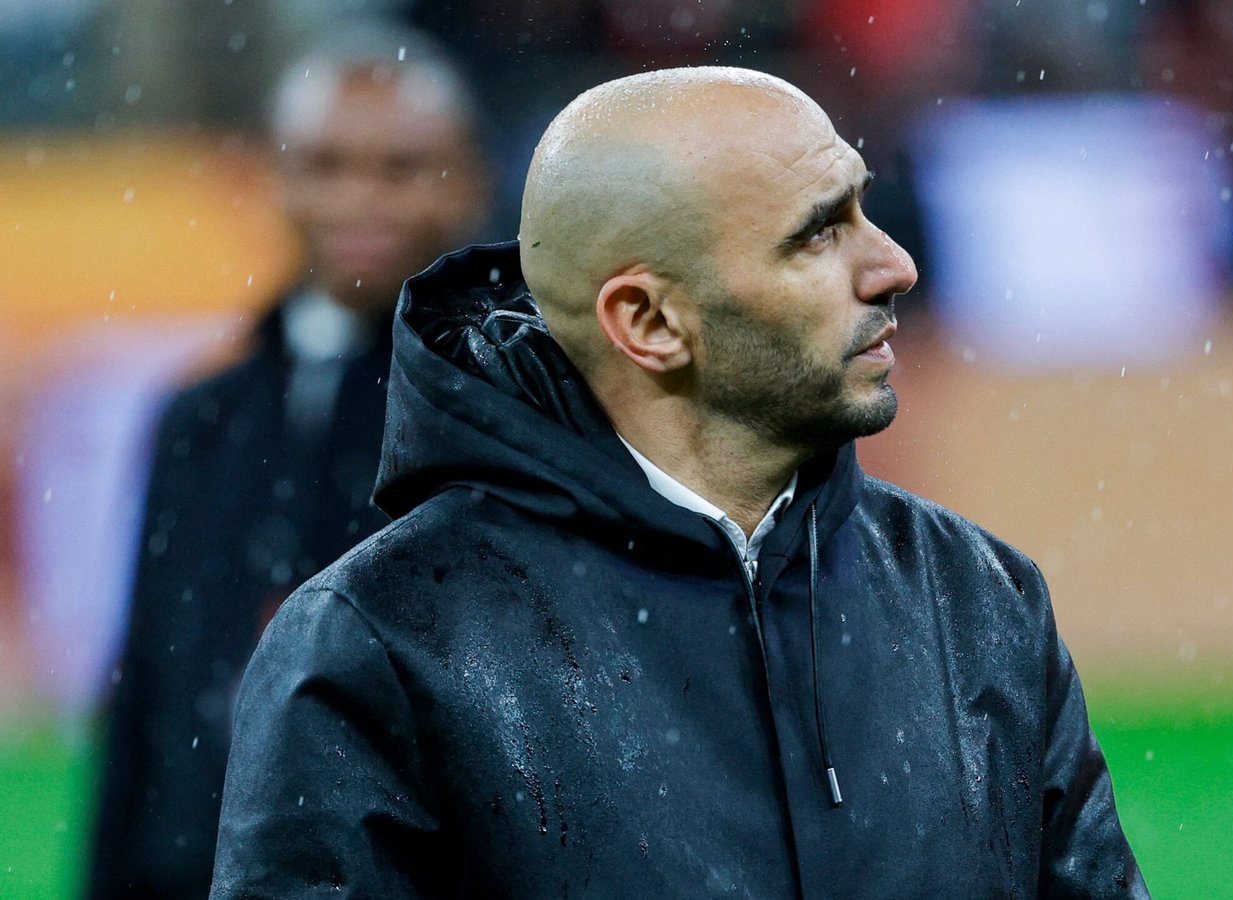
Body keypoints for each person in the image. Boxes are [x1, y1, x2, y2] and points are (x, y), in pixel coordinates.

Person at [212, 67, 1146, 898]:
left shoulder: (982, 600)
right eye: (819, 234)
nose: (894, 266)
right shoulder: (381, 642)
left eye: (863, 209)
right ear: (650, 322)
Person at [87, 22, 487, 900]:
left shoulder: (503, 413)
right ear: (275, 178)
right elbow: (146, 694)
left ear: (468, 182)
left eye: (400, 169)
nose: (360, 200)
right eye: (325, 165)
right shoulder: (201, 419)